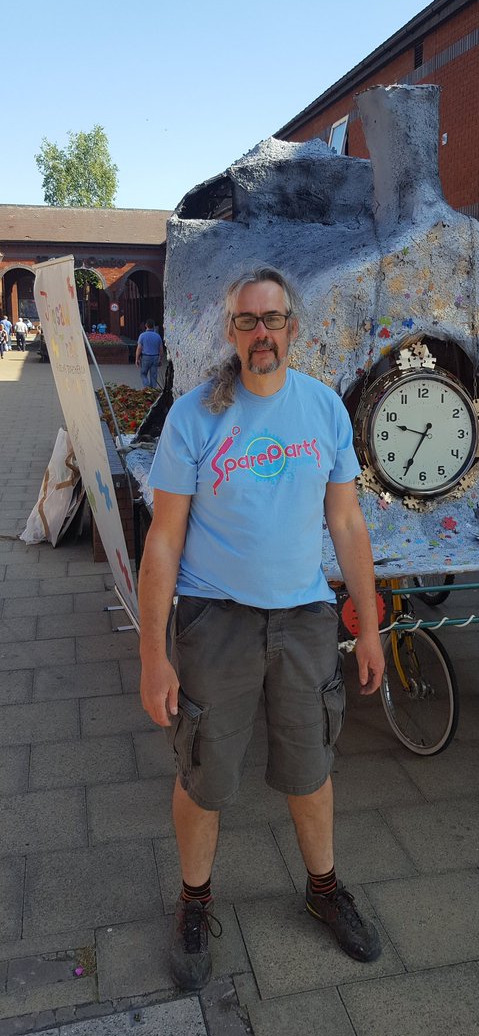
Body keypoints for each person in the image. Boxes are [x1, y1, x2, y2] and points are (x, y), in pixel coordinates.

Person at [138, 266, 384, 992]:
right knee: (206, 776)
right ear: (231, 332)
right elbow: (162, 543)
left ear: (293, 329)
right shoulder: (193, 418)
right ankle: (193, 901)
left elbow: (345, 523)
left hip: (306, 618)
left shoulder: (324, 413)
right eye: (247, 322)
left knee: (311, 770)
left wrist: (367, 627)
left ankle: (323, 889)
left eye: (272, 319)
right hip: (216, 620)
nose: (261, 334)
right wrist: (153, 656)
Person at [135, 319, 164, 388]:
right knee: (153, 376)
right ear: (153, 326)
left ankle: (147, 387)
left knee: (143, 374)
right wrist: (160, 359)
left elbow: (139, 348)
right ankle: (153, 391)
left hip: (146, 357)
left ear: (146, 325)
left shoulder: (142, 335)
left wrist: (137, 358)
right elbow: (161, 349)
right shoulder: (158, 336)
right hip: (155, 357)